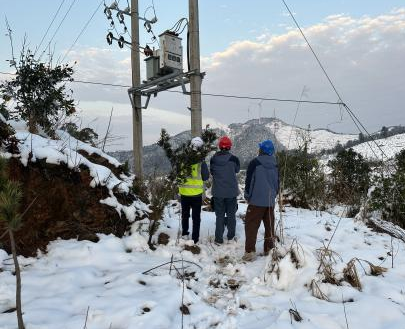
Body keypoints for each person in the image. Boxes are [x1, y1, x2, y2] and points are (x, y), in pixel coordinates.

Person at [243, 140, 280, 262]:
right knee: (269, 226)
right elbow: (277, 184)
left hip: (256, 201)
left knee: (251, 225)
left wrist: (248, 196)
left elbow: (249, 181)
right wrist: (274, 195)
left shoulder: (255, 163)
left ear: (261, 150)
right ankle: (269, 249)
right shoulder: (275, 164)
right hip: (270, 201)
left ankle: (249, 252)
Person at [179, 137, 210, 244]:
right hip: (196, 194)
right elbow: (206, 177)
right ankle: (195, 238)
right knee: (196, 217)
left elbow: (177, 174)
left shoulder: (182, 159)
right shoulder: (201, 162)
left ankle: (184, 234)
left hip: (184, 193)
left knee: (185, 215)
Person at [210, 136, 241, 245]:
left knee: (220, 215)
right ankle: (231, 237)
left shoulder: (213, 159)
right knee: (231, 215)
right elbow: (237, 170)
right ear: (229, 147)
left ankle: (218, 239)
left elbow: (212, 172)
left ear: (219, 146)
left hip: (218, 192)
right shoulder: (234, 159)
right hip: (231, 192)